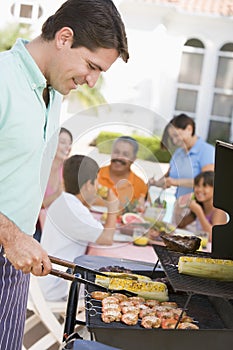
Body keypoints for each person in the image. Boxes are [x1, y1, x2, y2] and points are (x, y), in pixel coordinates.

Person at [0, 0, 129, 348]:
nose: (91, 80)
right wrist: (11, 236)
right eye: (91, 65)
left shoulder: (53, 91)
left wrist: (19, 240)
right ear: (64, 37)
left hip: (16, 259)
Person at [39, 154, 119, 301]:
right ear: (88, 185)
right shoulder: (74, 209)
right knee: (113, 286)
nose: (97, 188)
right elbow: (107, 239)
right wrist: (113, 207)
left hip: (44, 281)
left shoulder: (63, 201)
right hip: (57, 286)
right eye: (96, 182)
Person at [149, 114, 215, 225]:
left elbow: (208, 182)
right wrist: (155, 183)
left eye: (176, 135)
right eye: (172, 138)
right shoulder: (178, 153)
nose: (175, 141)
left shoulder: (206, 151)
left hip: (197, 211)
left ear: (189, 129)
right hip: (179, 208)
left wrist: (176, 182)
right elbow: (168, 176)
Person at [34, 127, 73, 241]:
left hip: (56, 226)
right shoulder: (40, 169)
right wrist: (56, 195)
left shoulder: (66, 170)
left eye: (70, 143)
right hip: (35, 228)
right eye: (62, 142)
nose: (68, 147)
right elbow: (33, 206)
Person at [96, 136, 148, 212]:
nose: (119, 157)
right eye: (116, 152)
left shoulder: (140, 185)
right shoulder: (95, 174)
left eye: (126, 154)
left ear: (133, 159)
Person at [178, 171, 227, 242]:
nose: (199, 190)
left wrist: (199, 212)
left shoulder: (219, 212)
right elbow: (181, 225)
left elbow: (214, 238)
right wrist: (182, 206)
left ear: (216, 189)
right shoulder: (200, 206)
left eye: (204, 186)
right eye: (197, 185)